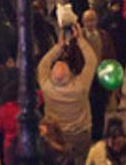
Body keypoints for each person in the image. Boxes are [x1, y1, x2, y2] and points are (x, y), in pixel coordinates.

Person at [36, 24, 97, 161]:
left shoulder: (46, 87)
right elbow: (91, 61)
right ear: (70, 75)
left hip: (55, 133)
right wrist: (80, 39)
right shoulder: (80, 87)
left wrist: (58, 47)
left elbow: (43, 65)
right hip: (79, 133)